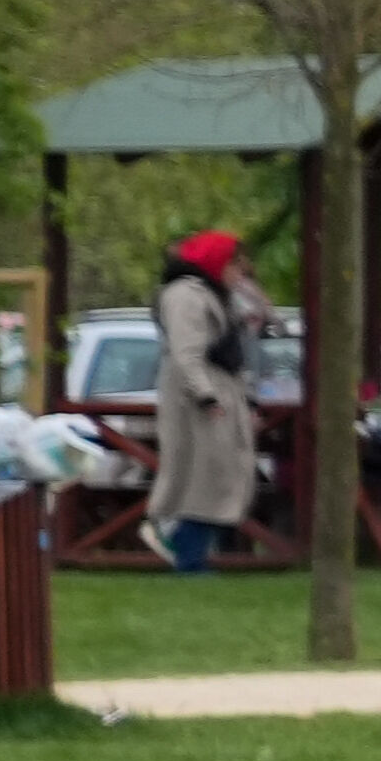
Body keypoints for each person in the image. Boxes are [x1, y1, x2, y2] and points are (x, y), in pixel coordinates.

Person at [146, 228, 265, 574]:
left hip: (219, 393)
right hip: (197, 402)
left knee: (218, 477)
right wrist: (205, 394)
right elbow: (187, 354)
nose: (239, 274)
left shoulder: (215, 295)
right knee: (202, 479)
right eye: (235, 265)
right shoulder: (185, 296)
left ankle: (188, 551)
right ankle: (184, 552)